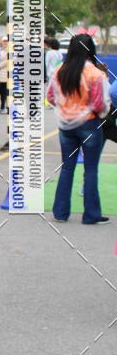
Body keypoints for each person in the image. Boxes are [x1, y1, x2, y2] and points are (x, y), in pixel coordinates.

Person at [47, 33, 110, 224]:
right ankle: (91, 215)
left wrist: (67, 107)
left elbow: (50, 97)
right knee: (90, 169)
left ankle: (60, 213)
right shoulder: (95, 74)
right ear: (91, 49)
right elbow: (99, 106)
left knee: (67, 167)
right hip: (89, 124)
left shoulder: (59, 71)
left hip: (65, 125)